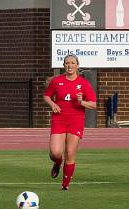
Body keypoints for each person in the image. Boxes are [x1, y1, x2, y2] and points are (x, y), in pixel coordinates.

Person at [43, 54, 96, 190]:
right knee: (55, 152)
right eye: (67, 63)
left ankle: (65, 186)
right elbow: (47, 95)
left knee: (70, 153)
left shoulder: (83, 83)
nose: (70, 65)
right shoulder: (57, 81)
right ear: (64, 66)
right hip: (59, 119)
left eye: (73, 63)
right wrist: (52, 104)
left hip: (75, 121)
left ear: (77, 65)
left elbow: (93, 104)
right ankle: (57, 162)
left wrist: (81, 102)